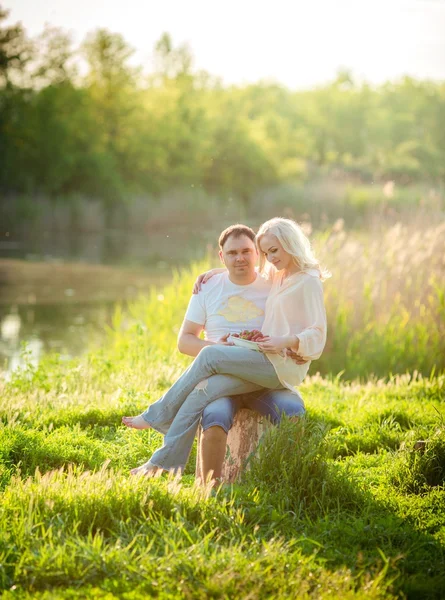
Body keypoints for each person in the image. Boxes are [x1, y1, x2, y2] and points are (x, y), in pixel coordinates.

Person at [123, 217, 328, 480]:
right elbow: (242, 273)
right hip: (261, 361)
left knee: (209, 355)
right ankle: (161, 462)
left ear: (289, 244)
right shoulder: (279, 275)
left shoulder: (306, 280)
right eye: (267, 252)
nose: (269, 257)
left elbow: (318, 333)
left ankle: (158, 414)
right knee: (199, 394)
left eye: (272, 251)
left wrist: (286, 341)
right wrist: (215, 273)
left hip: (279, 367)